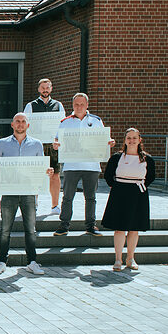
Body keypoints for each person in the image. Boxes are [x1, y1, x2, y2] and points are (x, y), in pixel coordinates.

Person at [0, 113, 54, 275]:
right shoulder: (3, 143)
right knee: (5, 229)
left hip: (29, 192)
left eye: (23, 122)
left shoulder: (36, 144)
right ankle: (2, 261)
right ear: (12, 124)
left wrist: (48, 171)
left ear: (28, 125)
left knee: (30, 229)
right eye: (17, 121)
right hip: (9, 191)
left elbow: (41, 166)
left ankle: (32, 262)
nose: (20, 124)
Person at [52, 93, 115, 237]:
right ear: (72, 105)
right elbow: (57, 139)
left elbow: (104, 138)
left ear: (87, 105)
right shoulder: (65, 122)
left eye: (81, 104)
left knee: (91, 197)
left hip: (91, 166)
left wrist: (109, 141)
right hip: (71, 166)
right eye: (76, 104)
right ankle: (64, 225)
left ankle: (91, 225)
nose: (79, 107)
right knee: (67, 197)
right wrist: (56, 144)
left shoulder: (96, 121)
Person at [102, 128, 156, 271]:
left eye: (134, 138)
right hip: (119, 194)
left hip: (138, 194)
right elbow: (108, 175)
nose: (131, 141)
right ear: (125, 140)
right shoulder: (117, 157)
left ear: (140, 140)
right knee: (120, 228)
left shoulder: (147, 159)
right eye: (128, 138)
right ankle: (118, 259)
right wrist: (118, 187)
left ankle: (130, 258)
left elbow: (150, 177)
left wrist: (138, 186)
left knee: (134, 228)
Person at [24, 78, 65, 215]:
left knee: (55, 176)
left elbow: (62, 126)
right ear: (38, 89)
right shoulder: (31, 106)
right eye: (43, 88)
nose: (45, 90)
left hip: (53, 146)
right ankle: (33, 204)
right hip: (37, 145)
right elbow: (25, 125)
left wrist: (59, 140)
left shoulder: (58, 105)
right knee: (36, 176)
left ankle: (54, 206)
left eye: (47, 87)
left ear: (51, 89)